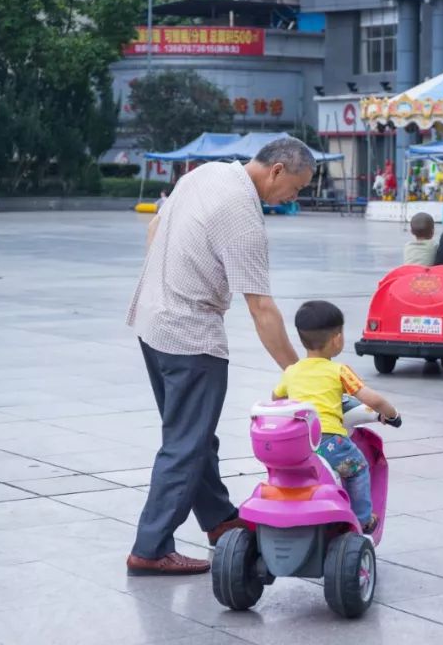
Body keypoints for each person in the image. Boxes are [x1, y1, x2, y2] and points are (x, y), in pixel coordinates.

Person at [125, 138, 315, 577]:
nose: (295, 197)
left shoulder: (207, 172)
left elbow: (155, 229)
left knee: (193, 435)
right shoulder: (244, 219)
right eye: (297, 188)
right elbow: (261, 309)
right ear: (278, 171)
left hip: (151, 322)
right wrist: (299, 371)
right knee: (185, 445)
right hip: (190, 339)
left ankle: (218, 519)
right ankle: (150, 547)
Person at [272, 301, 400, 534]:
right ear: (337, 339)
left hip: (300, 444)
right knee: (358, 467)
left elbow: (276, 398)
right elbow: (371, 399)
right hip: (330, 441)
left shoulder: (291, 371)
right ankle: (362, 518)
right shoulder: (339, 371)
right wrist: (391, 414)